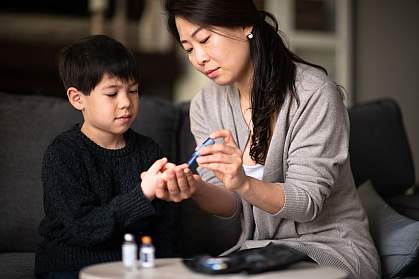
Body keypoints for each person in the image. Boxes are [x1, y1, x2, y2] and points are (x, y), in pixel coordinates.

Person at [160, 0, 380, 278]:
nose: (199, 58)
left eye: (205, 39)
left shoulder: (314, 94)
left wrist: (243, 182)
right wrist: (194, 187)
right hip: (260, 252)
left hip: (330, 249)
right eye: (189, 49)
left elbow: (307, 203)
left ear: (244, 25)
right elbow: (231, 204)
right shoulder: (206, 104)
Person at [35, 35, 178, 279]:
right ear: (77, 98)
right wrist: (142, 194)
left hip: (134, 267)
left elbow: (164, 230)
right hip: (71, 267)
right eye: (112, 94)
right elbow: (84, 228)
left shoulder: (149, 151)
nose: (126, 103)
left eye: (133, 91)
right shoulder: (63, 154)